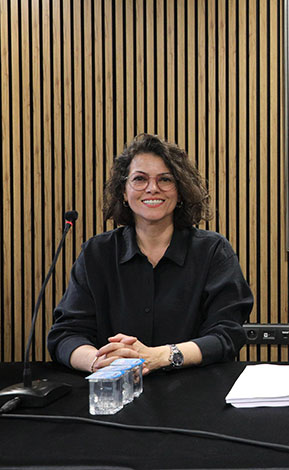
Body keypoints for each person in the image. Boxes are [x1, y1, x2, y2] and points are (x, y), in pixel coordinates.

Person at [47, 134, 254, 375]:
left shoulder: (213, 251)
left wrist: (160, 357)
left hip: (195, 388)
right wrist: (102, 362)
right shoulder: (97, 253)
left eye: (165, 179)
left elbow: (227, 334)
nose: (152, 188)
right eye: (140, 179)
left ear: (180, 191)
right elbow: (66, 335)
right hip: (113, 388)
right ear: (123, 192)